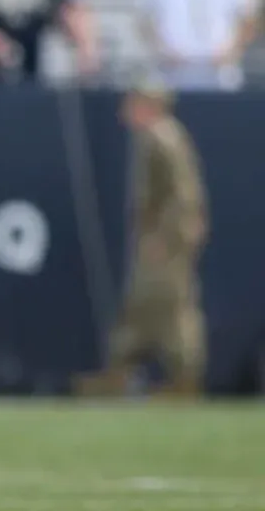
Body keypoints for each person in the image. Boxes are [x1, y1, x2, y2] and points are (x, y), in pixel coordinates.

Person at [74, 84, 208, 399]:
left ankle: (184, 381)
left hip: (166, 242)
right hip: (157, 239)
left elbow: (184, 196)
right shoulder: (155, 138)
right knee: (141, 308)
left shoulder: (165, 138)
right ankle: (121, 373)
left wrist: (165, 238)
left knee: (173, 310)